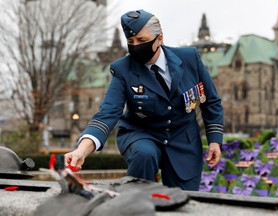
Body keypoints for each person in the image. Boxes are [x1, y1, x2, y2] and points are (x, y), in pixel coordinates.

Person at [65, 9, 224, 191]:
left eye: (142, 41)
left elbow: (211, 102)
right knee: (144, 154)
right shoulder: (123, 69)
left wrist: (214, 140)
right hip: (141, 134)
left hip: (183, 138)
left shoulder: (189, 59)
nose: (136, 46)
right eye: (131, 42)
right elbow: (107, 113)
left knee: (184, 200)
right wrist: (82, 150)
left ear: (159, 39)